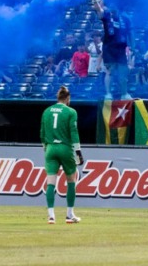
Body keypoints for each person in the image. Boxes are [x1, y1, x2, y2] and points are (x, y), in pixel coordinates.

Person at [40, 86, 84, 224]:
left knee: (50, 183)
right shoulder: (71, 112)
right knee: (71, 180)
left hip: (50, 148)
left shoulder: (47, 111)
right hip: (65, 148)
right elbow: (74, 132)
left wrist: (45, 148)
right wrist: (78, 152)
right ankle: (69, 215)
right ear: (67, 98)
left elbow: (42, 133)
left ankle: (51, 216)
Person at [93, 0, 132, 100]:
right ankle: (108, 94)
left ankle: (124, 94)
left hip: (121, 48)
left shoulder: (125, 18)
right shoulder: (107, 14)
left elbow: (129, 33)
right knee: (110, 71)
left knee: (123, 73)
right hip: (109, 48)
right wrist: (97, 3)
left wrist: (132, 46)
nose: (113, 6)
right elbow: (100, 12)